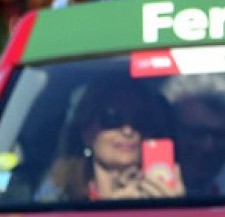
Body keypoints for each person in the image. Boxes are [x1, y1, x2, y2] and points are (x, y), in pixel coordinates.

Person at [39, 81, 184, 202]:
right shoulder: (58, 195)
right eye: (112, 118)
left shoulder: (166, 192)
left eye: (141, 120)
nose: (128, 131)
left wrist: (173, 209)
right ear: (86, 132)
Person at [164, 74, 225, 197]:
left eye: (220, 135)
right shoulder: (145, 183)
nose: (208, 147)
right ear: (170, 129)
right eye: (196, 133)